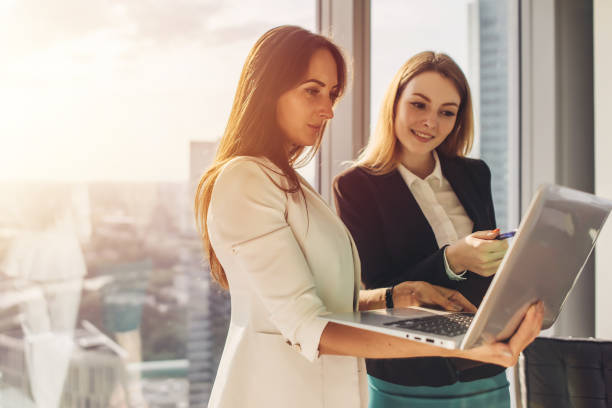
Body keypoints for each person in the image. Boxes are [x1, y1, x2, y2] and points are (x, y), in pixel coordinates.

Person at [194, 27, 542, 408]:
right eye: (312, 90)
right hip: (279, 393)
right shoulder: (245, 178)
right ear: (267, 88)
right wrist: (462, 344)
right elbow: (309, 326)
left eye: (331, 94)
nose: (327, 110)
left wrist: (401, 295)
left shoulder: (291, 185)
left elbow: (330, 301)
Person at [333, 51, 513, 407]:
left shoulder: (475, 174)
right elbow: (381, 289)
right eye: (419, 105)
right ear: (394, 103)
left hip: (483, 370)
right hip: (409, 378)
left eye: (447, 112)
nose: (431, 122)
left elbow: (484, 279)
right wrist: (453, 259)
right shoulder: (356, 186)